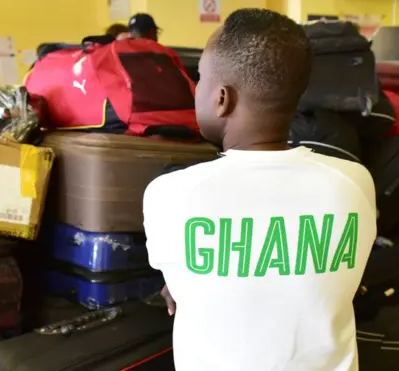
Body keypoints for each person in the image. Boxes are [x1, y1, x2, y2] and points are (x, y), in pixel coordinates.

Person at [143, 8, 376, 371]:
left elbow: (181, 280)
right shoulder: (354, 181)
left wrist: (186, 282)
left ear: (222, 98)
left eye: (200, 77)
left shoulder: (169, 194)